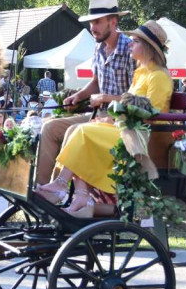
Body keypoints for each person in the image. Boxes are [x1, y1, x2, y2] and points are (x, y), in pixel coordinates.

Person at [35, 20, 173, 216]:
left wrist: (112, 112)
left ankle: (61, 185)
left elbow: (151, 113)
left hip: (141, 138)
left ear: (148, 47)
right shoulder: (142, 73)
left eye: (135, 41)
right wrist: (111, 118)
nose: (130, 44)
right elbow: (130, 106)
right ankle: (77, 192)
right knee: (77, 129)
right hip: (127, 129)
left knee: (83, 131)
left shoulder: (158, 76)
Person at [35, 0, 136, 185]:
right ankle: (41, 189)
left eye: (97, 22)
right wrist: (77, 97)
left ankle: (57, 191)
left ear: (113, 22)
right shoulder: (98, 47)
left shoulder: (131, 49)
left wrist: (105, 98)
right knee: (49, 127)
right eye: (91, 23)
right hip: (99, 115)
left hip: (122, 119)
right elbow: (96, 82)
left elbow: (135, 98)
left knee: (74, 130)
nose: (92, 28)